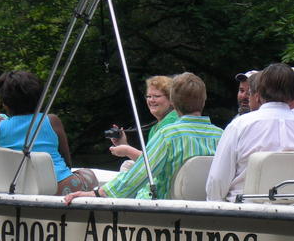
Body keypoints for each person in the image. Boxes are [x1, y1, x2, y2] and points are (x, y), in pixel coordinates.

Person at [64, 72, 223, 203]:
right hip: (206, 211)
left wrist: (97, 194)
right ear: (204, 100)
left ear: (173, 101)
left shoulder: (168, 135)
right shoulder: (221, 135)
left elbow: (138, 175)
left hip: (167, 213)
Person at [206, 63, 294, 202]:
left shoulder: (239, 126)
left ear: (258, 93)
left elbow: (217, 181)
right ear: (293, 94)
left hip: (245, 214)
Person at [0, 70, 97, 196]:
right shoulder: (52, 120)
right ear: (39, 99)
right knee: (88, 173)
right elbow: (67, 161)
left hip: (24, 188)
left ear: (5, 104)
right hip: (61, 186)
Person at [109, 75, 179, 168]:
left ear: (171, 100)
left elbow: (154, 163)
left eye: (156, 96)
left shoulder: (171, 123)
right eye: (148, 96)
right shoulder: (156, 127)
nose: (151, 100)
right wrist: (124, 144)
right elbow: (148, 162)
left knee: (127, 166)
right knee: (128, 165)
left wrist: (127, 150)